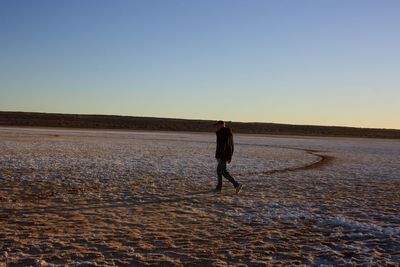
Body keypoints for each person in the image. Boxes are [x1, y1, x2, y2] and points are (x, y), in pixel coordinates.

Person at [214, 120, 243, 193]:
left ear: (221, 125)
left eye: (217, 126)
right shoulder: (225, 133)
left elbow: (222, 146)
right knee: (219, 171)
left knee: (223, 171)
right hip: (225, 155)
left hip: (223, 155)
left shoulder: (223, 133)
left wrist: (219, 156)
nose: (216, 127)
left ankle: (236, 184)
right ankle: (219, 187)